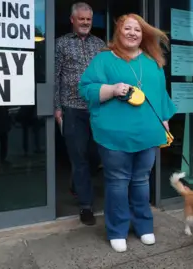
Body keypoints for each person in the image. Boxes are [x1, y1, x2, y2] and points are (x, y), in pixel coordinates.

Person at [78, 14, 176, 252]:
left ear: (143, 35)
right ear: (118, 33)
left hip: (147, 133)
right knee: (118, 182)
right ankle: (117, 229)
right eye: (127, 28)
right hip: (114, 135)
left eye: (138, 30)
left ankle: (143, 226)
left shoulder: (153, 62)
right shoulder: (103, 59)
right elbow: (86, 88)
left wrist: (164, 121)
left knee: (142, 180)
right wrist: (111, 89)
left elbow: (161, 95)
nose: (133, 33)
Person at [54, 2, 106, 225]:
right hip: (72, 109)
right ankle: (86, 206)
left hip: (98, 108)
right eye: (81, 19)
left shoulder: (101, 45)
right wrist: (57, 108)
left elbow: (107, 75)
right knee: (79, 158)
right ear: (72, 20)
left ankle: (77, 184)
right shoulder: (61, 44)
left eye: (88, 19)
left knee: (96, 156)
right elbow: (55, 77)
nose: (85, 22)